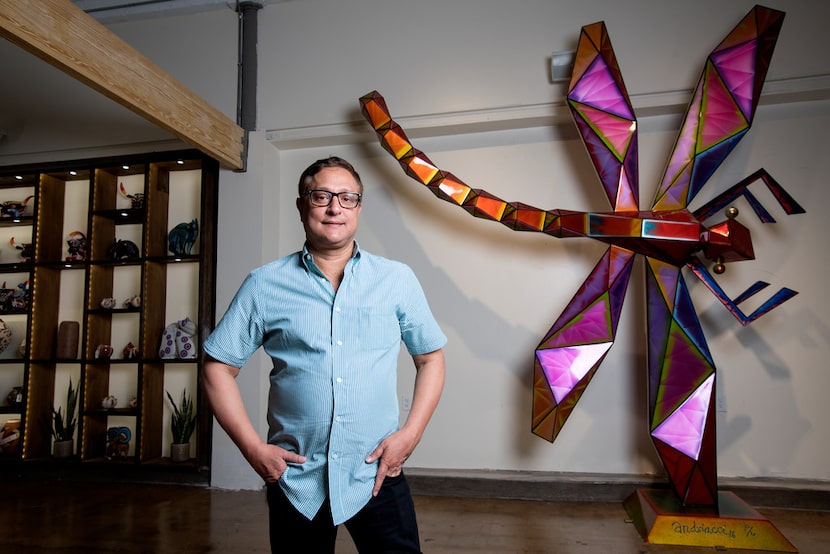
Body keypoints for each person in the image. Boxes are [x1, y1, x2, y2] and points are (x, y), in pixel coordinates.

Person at [202, 156, 447, 553]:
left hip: (376, 472)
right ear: (302, 205)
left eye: (348, 198)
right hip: (297, 479)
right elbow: (217, 369)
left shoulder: (396, 279)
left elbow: (431, 359)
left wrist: (410, 435)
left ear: (359, 208)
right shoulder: (264, 285)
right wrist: (252, 449)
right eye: (322, 196)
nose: (336, 207)